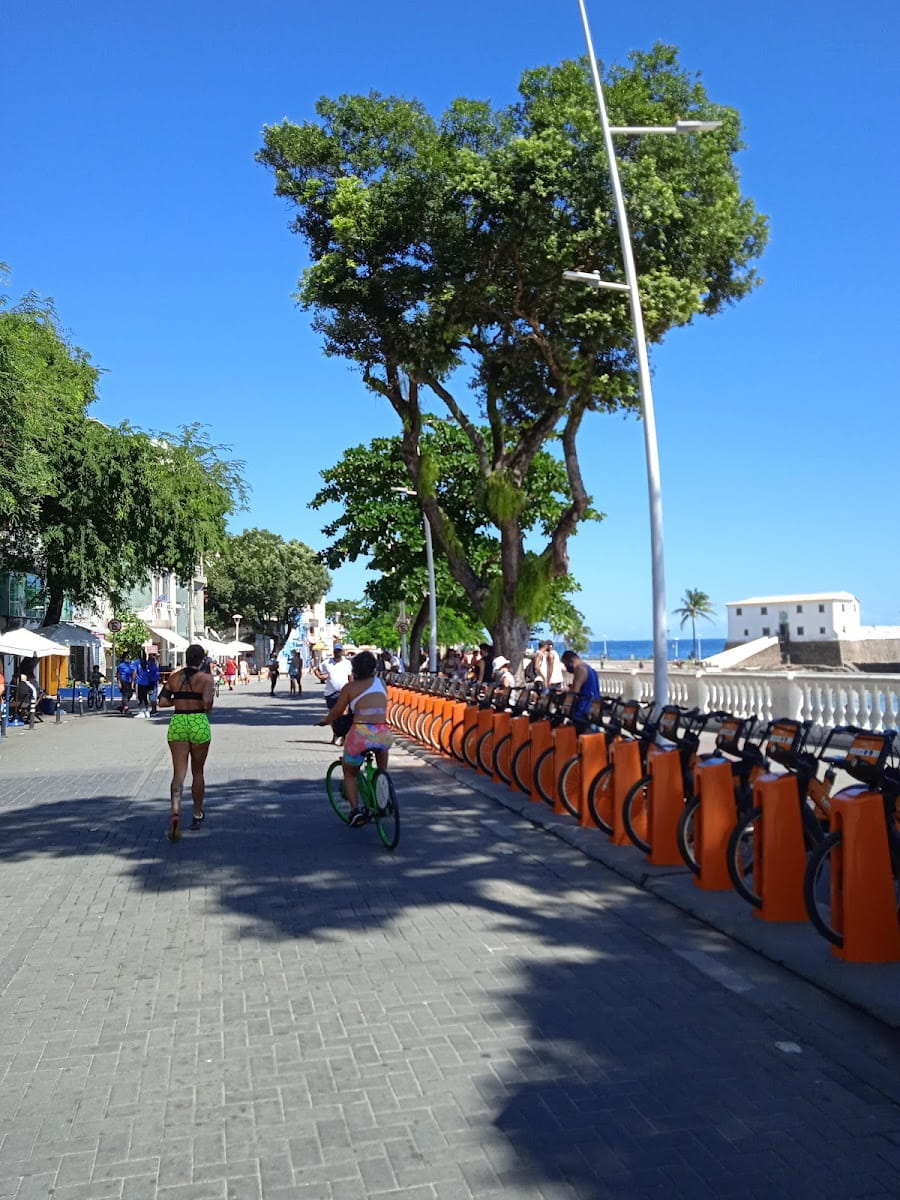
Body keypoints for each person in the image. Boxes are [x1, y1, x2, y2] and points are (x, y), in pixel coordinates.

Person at [317, 650, 393, 827]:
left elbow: (337, 711)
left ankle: (355, 811)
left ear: (355, 669)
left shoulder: (349, 688)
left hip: (361, 734)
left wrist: (325, 721)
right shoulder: (381, 683)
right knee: (382, 764)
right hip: (382, 733)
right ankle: (382, 788)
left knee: (349, 772)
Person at [157, 642, 215, 841]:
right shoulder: (206, 679)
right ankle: (197, 814)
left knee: (178, 774)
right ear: (202, 659)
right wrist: (203, 704)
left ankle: (175, 813)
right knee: (197, 772)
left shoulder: (174, 677)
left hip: (179, 722)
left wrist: (179, 700)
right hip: (198, 722)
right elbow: (207, 704)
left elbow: (162, 701)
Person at [314, 644, 353, 742]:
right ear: (333, 652)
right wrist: (321, 677)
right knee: (333, 715)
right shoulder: (327, 662)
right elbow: (317, 670)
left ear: (342, 652)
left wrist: (352, 689)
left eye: (339, 651)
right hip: (331, 693)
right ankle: (335, 734)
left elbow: (350, 677)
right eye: (336, 651)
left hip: (344, 692)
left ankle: (344, 736)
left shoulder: (347, 663)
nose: (337, 653)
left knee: (344, 714)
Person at [561, 649, 602, 728]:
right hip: (594, 706)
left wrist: (565, 703)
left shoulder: (579, 669)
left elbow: (575, 692)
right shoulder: (589, 669)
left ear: (571, 661)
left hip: (584, 708)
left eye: (566, 665)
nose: (566, 668)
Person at [134, 650, 155, 718]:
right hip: (146, 682)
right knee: (145, 697)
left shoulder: (137, 662)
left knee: (139, 698)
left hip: (139, 682)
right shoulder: (147, 663)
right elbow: (150, 672)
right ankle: (147, 711)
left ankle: (141, 711)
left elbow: (135, 672)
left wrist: (132, 681)